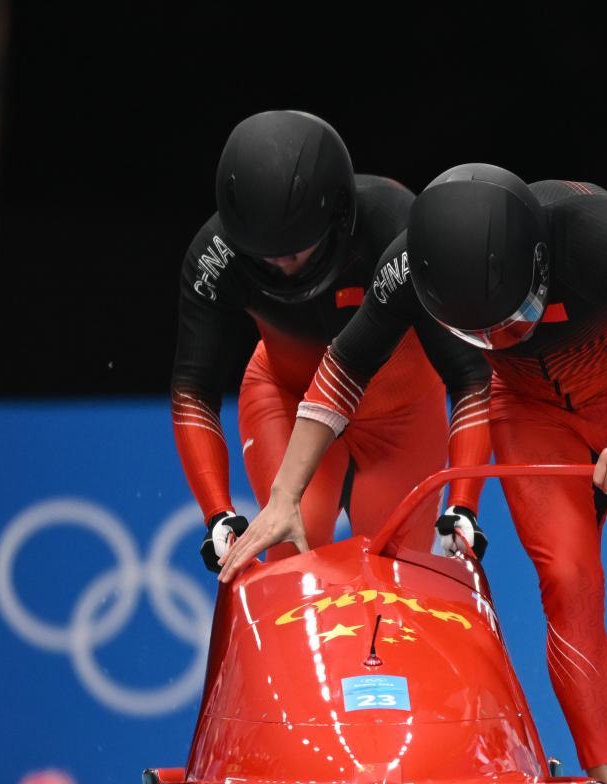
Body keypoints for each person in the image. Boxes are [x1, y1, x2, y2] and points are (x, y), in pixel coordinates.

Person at [218, 163, 607, 784]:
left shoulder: (598, 233)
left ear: (541, 263)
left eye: (513, 316)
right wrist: (284, 496)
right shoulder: (410, 264)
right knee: (566, 581)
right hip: (529, 411)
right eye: (479, 330)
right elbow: (342, 368)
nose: (503, 333)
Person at [173, 112, 490, 571]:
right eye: (262, 255)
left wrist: (464, 503)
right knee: (291, 547)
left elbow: (470, 375)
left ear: (337, 218)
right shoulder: (214, 255)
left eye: (293, 251)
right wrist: (218, 513)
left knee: (395, 569)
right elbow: (193, 390)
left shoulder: (397, 226)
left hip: (402, 415)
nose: (280, 267)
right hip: (287, 396)